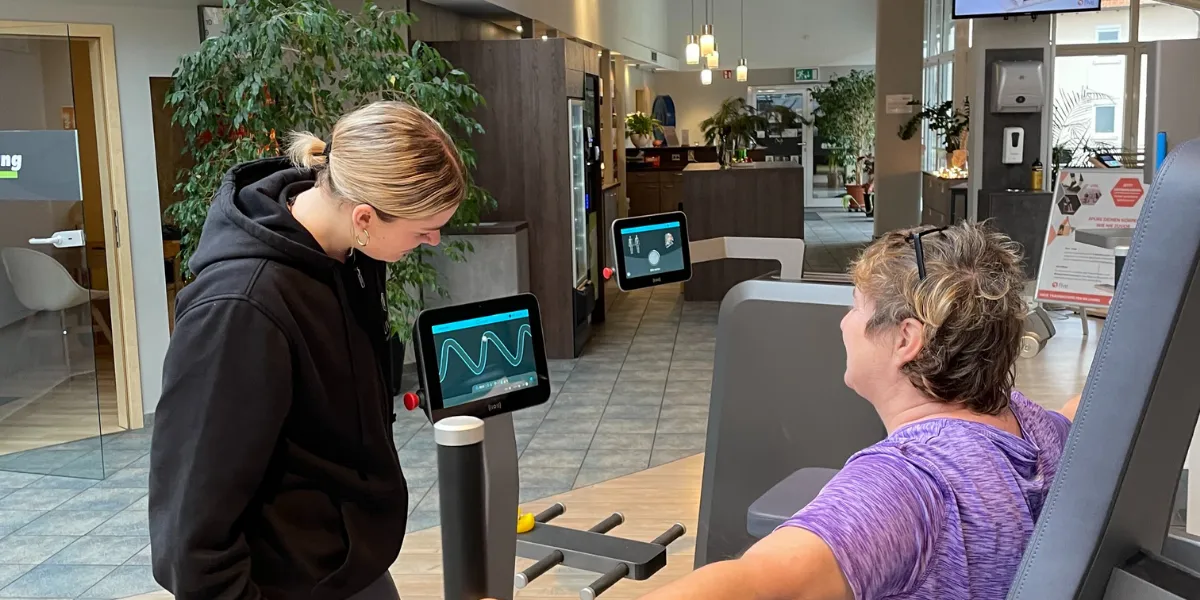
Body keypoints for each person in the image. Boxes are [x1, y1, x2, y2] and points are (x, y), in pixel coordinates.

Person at [641, 222, 1082, 600]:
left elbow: (758, 584)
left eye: (856, 307)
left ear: (906, 340)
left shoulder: (908, 481)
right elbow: (1076, 411)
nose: (844, 323)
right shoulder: (1035, 427)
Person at [149, 100, 465, 600]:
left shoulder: (351, 255)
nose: (434, 241)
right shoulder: (240, 307)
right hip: (285, 585)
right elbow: (191, 539)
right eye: (422, 229)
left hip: (346, 566)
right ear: (364, 216)